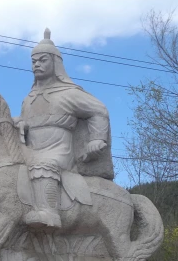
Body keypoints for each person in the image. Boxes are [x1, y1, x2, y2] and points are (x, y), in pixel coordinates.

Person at [16, 29, 113, 229]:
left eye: (42, 60)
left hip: (58, 151)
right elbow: (25, 121)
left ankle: (49, 213)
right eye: (33, 61)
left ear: (55, 63)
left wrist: (97, 138)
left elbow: (99, 110)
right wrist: (19, 123)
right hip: (30, 150)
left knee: (44, 164)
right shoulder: (28, 98)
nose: (36, 64)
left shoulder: (68, 93)